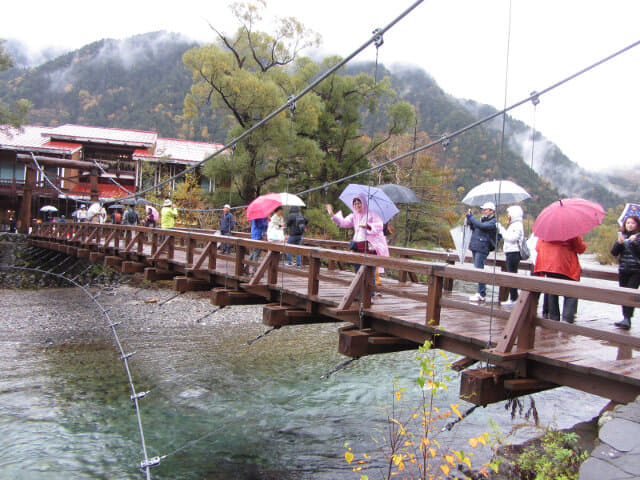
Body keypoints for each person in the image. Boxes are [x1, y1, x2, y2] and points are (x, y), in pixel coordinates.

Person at [326, 194, 389, 295]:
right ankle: (359, 294)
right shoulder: (354, 215)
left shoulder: (372, 214)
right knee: (358, 270)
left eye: (359, 203)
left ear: (363, 203)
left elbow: (379, 226)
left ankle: (370, 296)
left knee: (369, 271)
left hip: (369, 246)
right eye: (355, 204)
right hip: (357, 245)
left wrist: (367, 226)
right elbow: (343, 223)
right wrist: (332, 215)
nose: (357, 205)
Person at [534, 236, 587, 323]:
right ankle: (567, 323)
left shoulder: (546, 230)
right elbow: (580, 248)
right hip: (565, 265)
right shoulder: (570, 229)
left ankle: (553, 321)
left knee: (553, 293)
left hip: (548, 265)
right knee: (571, 294)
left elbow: (537, 247)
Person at [611, 215, 640, 330]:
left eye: (632, 223)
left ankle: (627, 319)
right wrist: (619, 243)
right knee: (623, 294)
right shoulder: (622, 236)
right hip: (623, 269)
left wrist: (634, 243)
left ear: (637, 224)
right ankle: (625, 318)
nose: (630, 225)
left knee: (630, 294)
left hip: (636, 270)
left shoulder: (638, 237)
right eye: (628, 223)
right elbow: (614, 253)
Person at [466, 202, 498, 302]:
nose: (484, 211)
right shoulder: (482, 219)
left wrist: (471, 218)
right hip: (476, 246)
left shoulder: (493, 222)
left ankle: (481, 293)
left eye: (486, 209)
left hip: (483, 247)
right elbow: (475, 227)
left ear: (492, 211)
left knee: (480, 270)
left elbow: (482, 226)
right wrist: (469, 220)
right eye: (483, 209)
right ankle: (480, 292)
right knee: (477, 269)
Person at [497, 205, 525, 305]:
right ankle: (513, 297)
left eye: (509, 213)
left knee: (511, 275)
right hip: (511, 252)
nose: (508, 215)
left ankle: (514, 299)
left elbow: (511, 238)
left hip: (514, 253)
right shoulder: (514, 224)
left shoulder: (517, 225)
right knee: (511, 274)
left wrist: (501, 229)